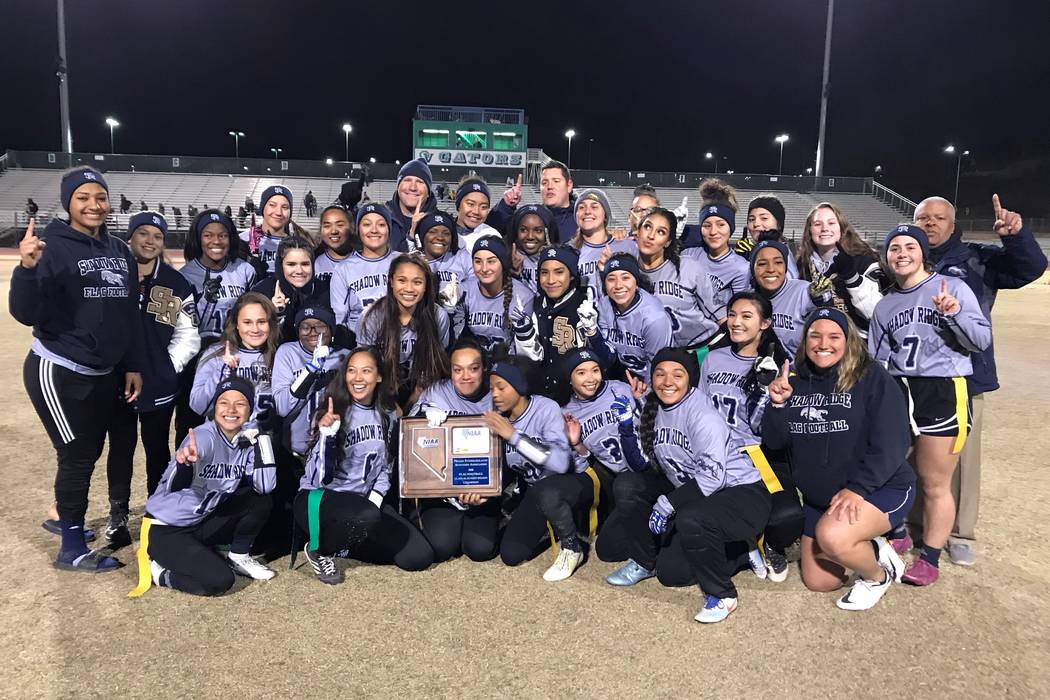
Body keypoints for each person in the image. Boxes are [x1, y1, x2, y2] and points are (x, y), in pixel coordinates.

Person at [11, 166, 143, 572]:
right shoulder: (50, 246)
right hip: (60, 370)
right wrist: (28, 270)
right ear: (68, 201)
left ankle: (61, 517)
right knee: (77, 455)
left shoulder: (119, 251)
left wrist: (131, 364)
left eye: (100, 197)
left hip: (103, 372)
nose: (93, 205)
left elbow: (125, 316)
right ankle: (71, 547)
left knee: (88, 451)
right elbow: (24, 312)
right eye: (83, 197)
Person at [912, 194, 1046, 566]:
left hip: (964, 375)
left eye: (939, 218)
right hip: (915, 377)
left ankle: (959, 532)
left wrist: (1016, 236)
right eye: (924, 218)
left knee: (962, 457)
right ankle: (915, 522)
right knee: (914, 453)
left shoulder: (977, 257)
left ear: (952, 224)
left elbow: (1030, 269)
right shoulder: (904, 256)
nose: (931, 224)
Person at [762, 308, 914, 610]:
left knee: (833, 537)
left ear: (849, 341)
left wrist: (858, 488)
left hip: (878, 488)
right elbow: (776, 442)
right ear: (805, 340)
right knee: (820, 582)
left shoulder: (871, 377)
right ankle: (870, 544)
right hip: (824, 500)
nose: (823, 343)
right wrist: (777, 406)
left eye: (834, 336)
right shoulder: (795, 380)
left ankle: (876, 576)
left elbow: (893, 442)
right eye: (815, 335)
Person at [868, 224, 992, 585]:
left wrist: (954, 314)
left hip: (943, 389)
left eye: (910, 246)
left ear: (923, 253)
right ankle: (901, 531)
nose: (902, 253)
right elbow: (879, 361)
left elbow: (980, 341)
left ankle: (932, 558)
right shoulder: (886, 305)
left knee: (935, 481)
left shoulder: (952, 288)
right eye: (894, 248)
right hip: (900, 390)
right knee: (891, 468)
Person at [631, 348, 771, 623]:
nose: (667, 381)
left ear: (690, 380)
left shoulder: (702, 415)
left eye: (677, 374)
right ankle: (740, 550)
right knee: (671, 574)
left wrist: (668, 504)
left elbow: (711, 477)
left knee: (691, 519)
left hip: (743, 495)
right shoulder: (656, 407)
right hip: (706, 500)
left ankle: (723, 595)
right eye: (660, 374)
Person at [296, 348, 435, 583]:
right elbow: (319, 479)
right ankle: (320, 549)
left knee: (418, 556)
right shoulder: (332, 412)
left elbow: (385, 467)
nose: (358, 378)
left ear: (379, 376)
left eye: (366, 371)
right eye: (351, 371)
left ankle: (349, 545)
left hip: (361, 506)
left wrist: (375, 501)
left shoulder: (388, 413)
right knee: (368, 515)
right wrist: (327, 438)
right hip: (320, 500)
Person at [105, 212, 200, 551]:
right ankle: (117, 513)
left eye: (156, 236)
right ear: (129, 237)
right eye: (142, 233)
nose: (149, 241)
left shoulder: (176, 284)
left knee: (157, 447)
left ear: (163, 242)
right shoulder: (111, 277)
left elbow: (188, 335)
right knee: (121, 447)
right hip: (116, 382)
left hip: (159, 384)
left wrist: (166, 368)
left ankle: (155, 506)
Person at [134, 377, 278, 596]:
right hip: (168, 529)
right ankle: (161, 574)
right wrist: (185, 465)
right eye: (224, 402)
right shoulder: (202, 437)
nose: (231, 409)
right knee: (220, 580)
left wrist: (263, 439)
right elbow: (173, 486)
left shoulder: (245, 442)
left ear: (250, 410)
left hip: (200, 521)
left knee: (258, 499)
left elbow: (265, 486)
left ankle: (239, 557)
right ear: (215, 407)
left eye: (240, 403)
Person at [699, 292, 798, 582]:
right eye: (732, 315)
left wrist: (764, 392)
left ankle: (769, 542)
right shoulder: (712, 358)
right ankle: (746, 544)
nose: (736, 322)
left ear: (764, 323)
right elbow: (701, 410)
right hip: (715, 449)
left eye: (746, 316)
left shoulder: (775, 366)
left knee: (787, 515)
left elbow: (762, 429)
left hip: (752, 451)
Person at [485, 356, 592, 582]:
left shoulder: (546, 408)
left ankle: (573, 546)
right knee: (511, 554)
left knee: (547, 489)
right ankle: (547, 524)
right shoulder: (499, 417)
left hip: (572, 484)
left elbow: (561, 464)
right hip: (535, 492)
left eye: (501, 387)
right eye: (492, 387)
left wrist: (513, 436)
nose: (494, 394)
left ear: (520, 386)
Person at [411, 338, 499, 563]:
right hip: (443, 492)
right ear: (450, 371)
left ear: (484, 369)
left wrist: (488, 490)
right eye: (458, 370)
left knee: (479, 549)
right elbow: (409, 442)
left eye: (473, 368)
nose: (465, 376)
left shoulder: (497, 395)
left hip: (482, 490)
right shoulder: (436, 393)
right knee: (442, 547)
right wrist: (422, 418)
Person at [177, 209, 257, 445]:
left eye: (222, 235)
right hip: (196, 358)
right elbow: (181, 325)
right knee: (190, 421)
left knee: (234, 419)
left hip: (234, 355)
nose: (216, 241)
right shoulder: (185, 275)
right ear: (198, 239)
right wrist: (203, 300)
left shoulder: (244, 270)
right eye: (208, 235)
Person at [357, 254, 450, 408]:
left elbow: (437, 365)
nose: (409, 288)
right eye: (402, 280)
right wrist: (389, 406)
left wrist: (416, 397)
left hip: (423, 390)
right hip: (379, 391)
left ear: (426, 286)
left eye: (417, 282)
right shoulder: (371, 316)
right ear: (391, 282)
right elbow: (365, 367)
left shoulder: (438, 316)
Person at [189, 292, 282, 429]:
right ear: (236, 324)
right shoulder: (216, 354)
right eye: (247, 322)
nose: (255, 329)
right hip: (226, 440)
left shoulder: (280, 354)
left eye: (261, 322)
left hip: (267, 440)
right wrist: (222, 370)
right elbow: (199, 407)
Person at [513, 245, 593, 401]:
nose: (550, 280)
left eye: (559, 272)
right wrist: (524, 333)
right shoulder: (535, 304)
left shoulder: (584, 306)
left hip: (576, 399)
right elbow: (530, 360)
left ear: (571, 275)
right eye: (544, 273)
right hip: (539, 397)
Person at [635, 207, 721, 351]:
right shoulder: (627, 273)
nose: (651, 235)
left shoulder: (687, 266)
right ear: (638, 231)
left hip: (703, 346)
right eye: (647, 227)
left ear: (668, 241)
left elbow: (718, 314)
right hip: (661, 355)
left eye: (660, 232)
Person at [797, 202, 885, 337]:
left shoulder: (864, 260)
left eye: (831, 223)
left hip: (857, 341)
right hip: (818, 338)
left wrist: (852, 278)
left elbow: (875, 313)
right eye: (817, 224)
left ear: (842, 228)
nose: (824, 228)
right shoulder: (803, 264)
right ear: (809, 231)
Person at [586, 253, 672, 384]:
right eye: (611, 279)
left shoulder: (654, 318)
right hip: (621, 374)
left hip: (652, 377)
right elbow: (608, 357)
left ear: (636, 281)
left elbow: (659, 364)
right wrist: (593, 333)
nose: (618, 285)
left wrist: (646, 393)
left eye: (625, 278)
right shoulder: (604, 305)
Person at [682, 179, 751, 320]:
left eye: (721, 225)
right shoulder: (688, 254)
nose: (713, 232)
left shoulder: (741, 267)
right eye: (707, 225)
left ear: (730, 228)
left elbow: (738, 310)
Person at [456, 235, 533, 355]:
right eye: (478, 261)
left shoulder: (523, 297)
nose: (484, 268)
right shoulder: (463, 290)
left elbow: (524, 350)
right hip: (474, 363)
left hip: (509, 366)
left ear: (503, 263)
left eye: (491, 261)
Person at [250, 237, 333, 343]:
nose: (299, 271)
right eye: (291, 264)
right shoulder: (261, 293)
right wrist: (275, 315)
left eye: (305, 264)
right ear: (281, 266)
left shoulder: (324, 290)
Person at [749, 240, 821, 359]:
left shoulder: (802, 291)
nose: (771, 269)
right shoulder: (748, 300)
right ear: (753, 270)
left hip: (800, 372)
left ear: (786, 268)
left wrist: (823, 302)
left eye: (778, 262)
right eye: (762, 264)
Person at [329, 202, 392, 328]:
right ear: (358, 230)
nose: (374, 230)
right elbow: (339, 316)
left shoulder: (402, 261)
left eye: (381, 224)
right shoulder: (344, 268)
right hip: (358, 342)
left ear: (389, 228)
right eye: (367, 224)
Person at [570, 189, 638, 299]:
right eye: (581, 207)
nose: (587, 211)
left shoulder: (627, 245)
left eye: (594, 207)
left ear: (605, 214)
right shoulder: (569, 251)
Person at [737, 194, 799, 279]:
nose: (756, 224)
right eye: (751, 219)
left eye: (764, 218)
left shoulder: (785, 252)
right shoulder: (750, 249)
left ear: (779, 223)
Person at [506, 204, 561, 293]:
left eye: (538, 230)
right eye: (523, 230)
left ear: (548, 233)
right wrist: (512, 274)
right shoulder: (509, 257)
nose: (530, 236)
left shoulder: (560, 259)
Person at [386, 158, 437, 253]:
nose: (413, 187)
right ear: (398, 187)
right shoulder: (382, 218)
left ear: (429, 192)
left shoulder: (439, 224)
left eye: (420, 182)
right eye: (407, 180)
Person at [242, 185, 294, 274]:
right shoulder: (243, 239)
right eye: (272, 205)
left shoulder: (298, 243)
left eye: (285, 207)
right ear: (263, 208)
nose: (279, 212)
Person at [452, 176, 502, 252]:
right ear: (458, 205)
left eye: (483, 207)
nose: (476, 212)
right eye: (470, 204)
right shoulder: (443, 234)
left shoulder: (492, 235)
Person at [313, 205, 355, 284]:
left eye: (340, 225)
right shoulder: (312, 261)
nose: (333, 231)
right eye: (327, 226)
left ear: (351, 227)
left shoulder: (364, 261)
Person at [539, 161, 578, 239]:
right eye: (544, 182)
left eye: (556, 181)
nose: (549, 186)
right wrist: (508, 207)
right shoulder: (533, 217)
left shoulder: (581, 219)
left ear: (569, 186)